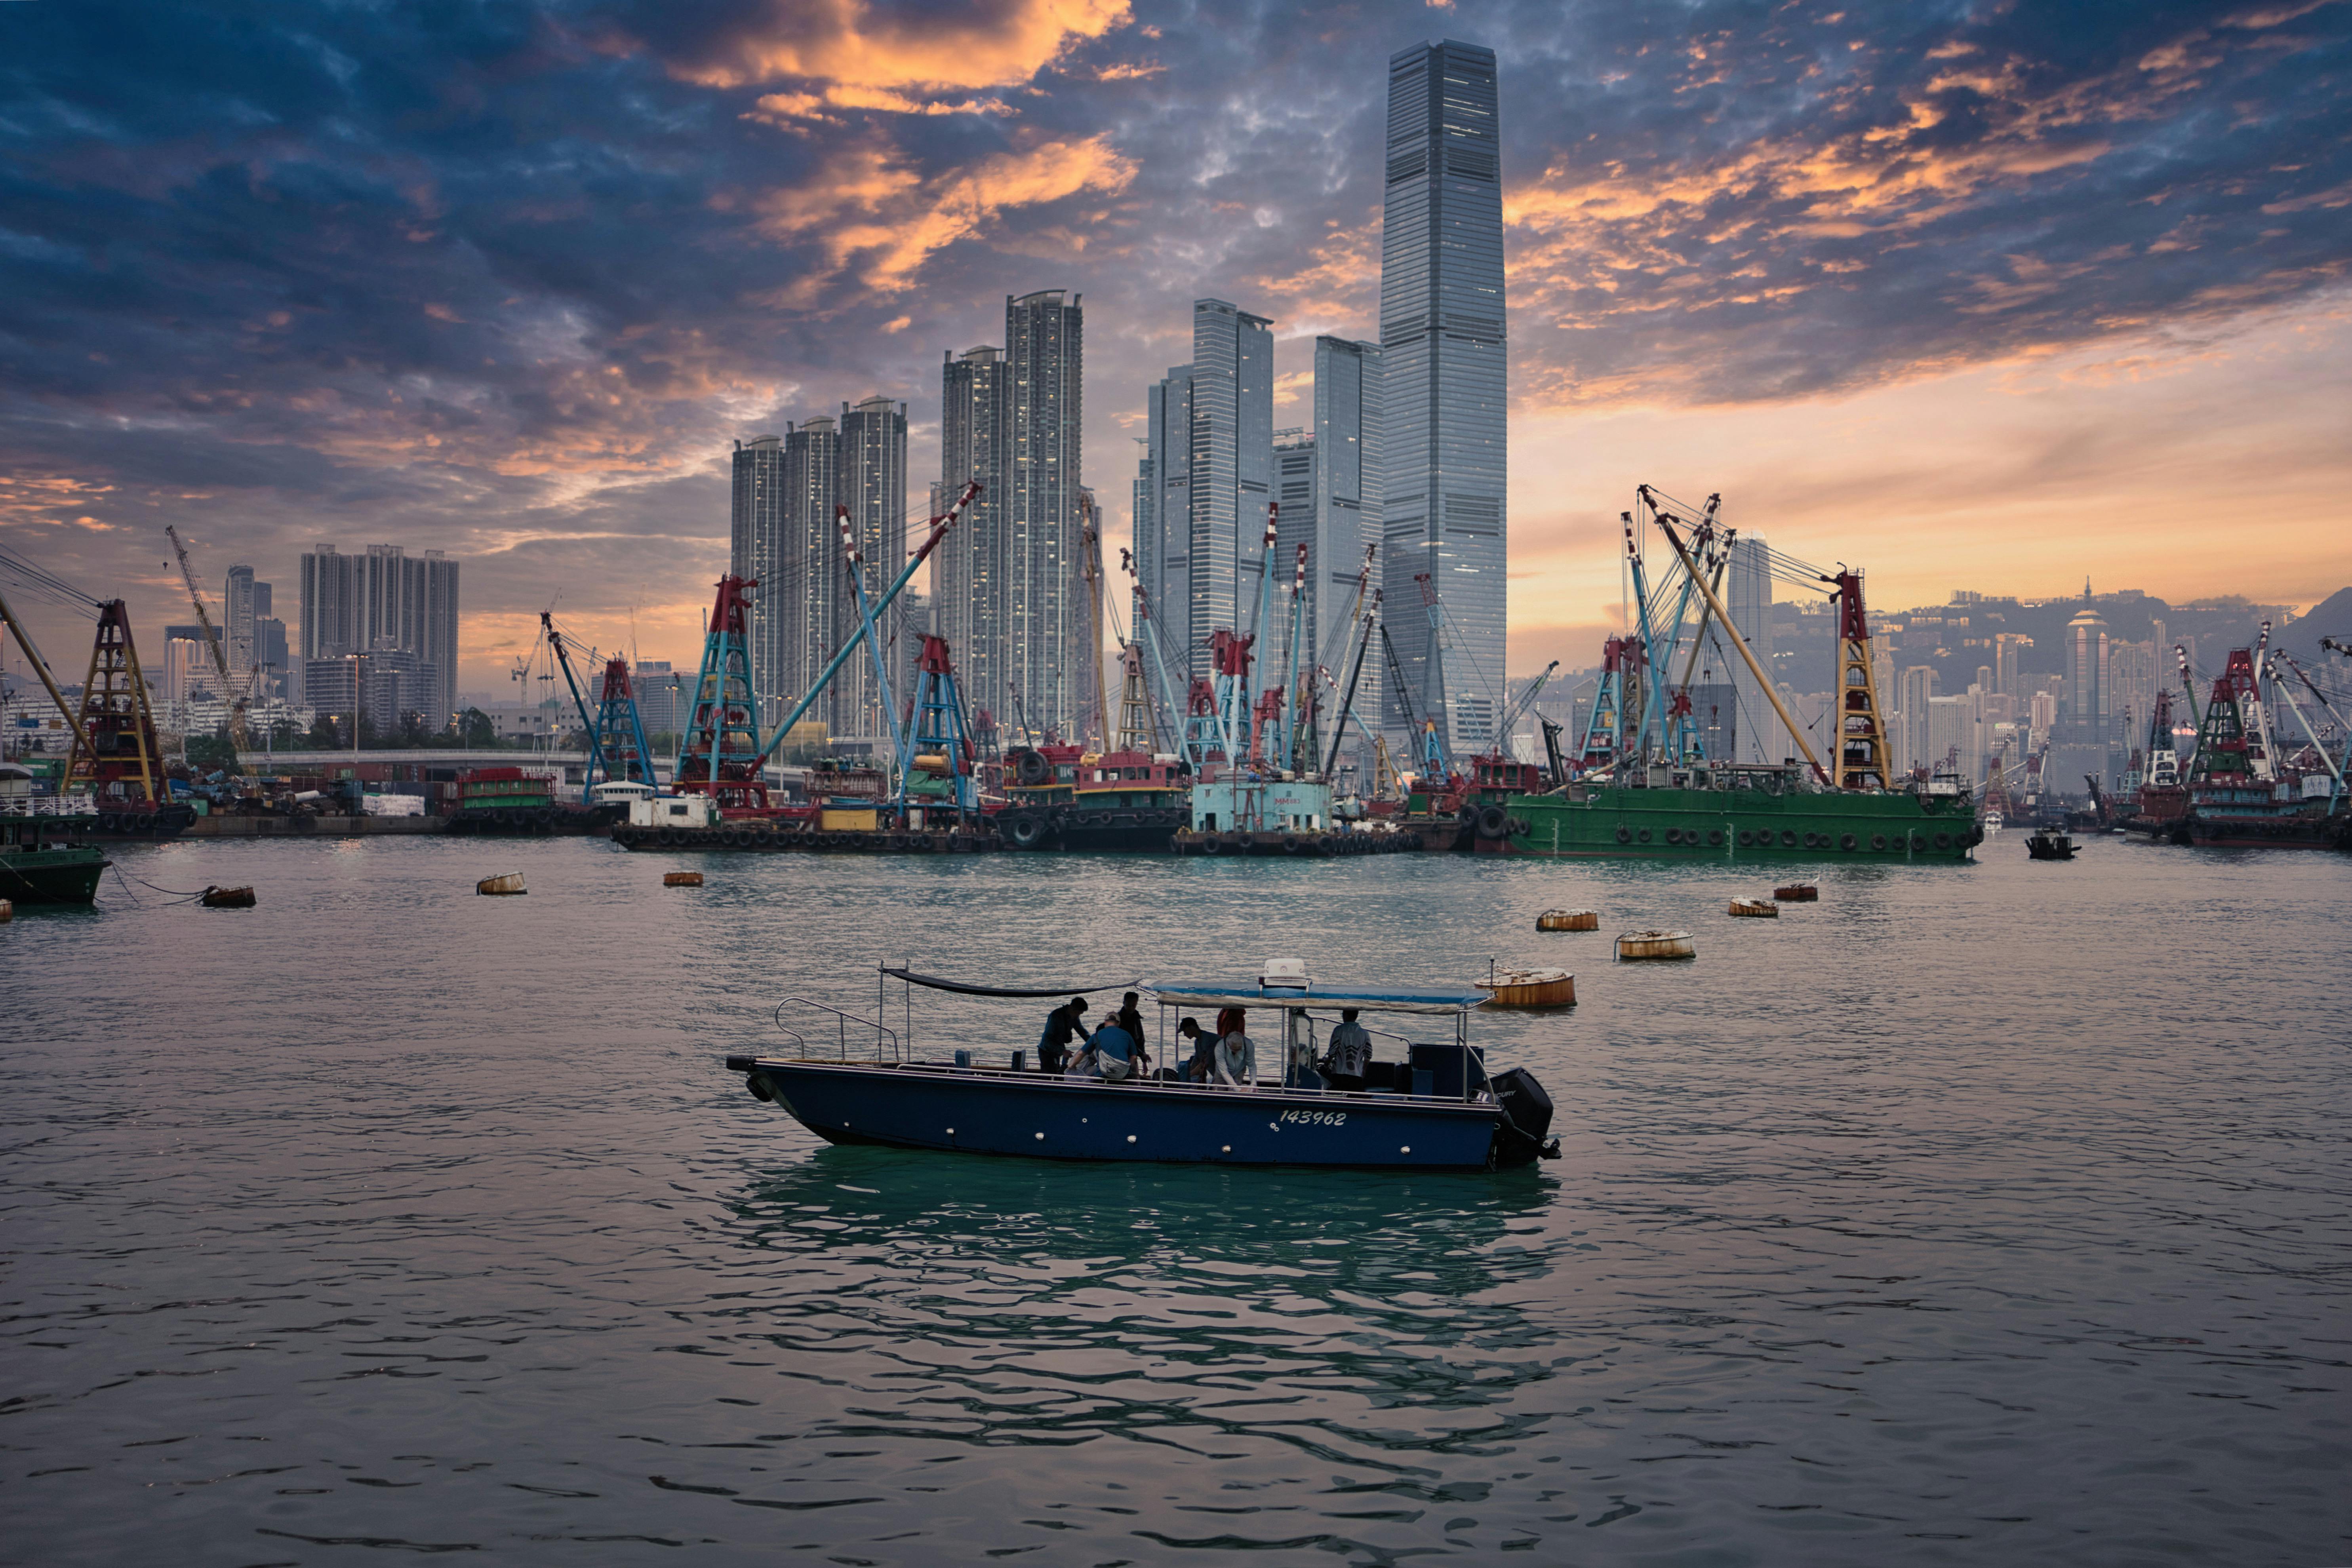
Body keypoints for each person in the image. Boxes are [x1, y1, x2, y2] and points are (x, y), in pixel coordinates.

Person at [1322, 1007, 1373, 1092]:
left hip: (1339, 1073)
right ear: (1356, 1016)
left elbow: (1332, 1053)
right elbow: (1368, 1056)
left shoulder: (1339, 1030)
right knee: (1354, 1100)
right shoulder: (1365, 1033)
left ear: (1345, 1015)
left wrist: (1327, 1063)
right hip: (1357, 1075)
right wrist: (1363, 1070)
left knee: (1338, 1099)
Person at [1037, 996, 1091, 1074]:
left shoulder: (1074, 1017)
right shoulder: (1055, 1016)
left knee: (1056, 1073)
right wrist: (1063, 1051)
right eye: (1078, 1013)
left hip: (1057, 1051)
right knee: (1049, 1077)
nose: (1078, 1016)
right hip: (1046, 1052)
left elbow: (1082, 1032)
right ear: (1072, 1009)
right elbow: (1046, 1040)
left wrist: (1094, 1043)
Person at [1090, 1016, 1138, 1083]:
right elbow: (1134, 1058)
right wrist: (1128, 1071)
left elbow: (1081, 1053)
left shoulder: (1096, 1038)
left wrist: (1071, 1066)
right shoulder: (1127, 1035)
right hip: (1122, 1075)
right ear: (1119, 1023)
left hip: (1102, 1075)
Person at [1111, 991, 1148, 1074]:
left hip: (1134, 1055)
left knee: (1135, 1079)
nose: (1131, 1008)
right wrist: (1142, 1054)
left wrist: (1144, 1060)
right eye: (1128, 1005)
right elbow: (1126, 1042)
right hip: (1120, 1057)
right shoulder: (1118, 1020)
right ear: (1124, 1003)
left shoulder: (1136, 1018)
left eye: (1134, 1006)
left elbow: (1141, 1040)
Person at [1213, 1022, 1256, 1089]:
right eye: (1234, 1050)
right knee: (1218, 1091)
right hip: (1221, 1072)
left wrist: (1254, 1084)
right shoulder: (1220, 1047)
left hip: (1239, 1070)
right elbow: (1224, 1072)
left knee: (1236, 1093)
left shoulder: (1249, 1045)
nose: (1237, 1052)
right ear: (1228, 1044)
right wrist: (1236, 1089)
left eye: (1239, 1049)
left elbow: (1252, 1066)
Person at [1176, 1018, 1217, 1083]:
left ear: (1191, 1028)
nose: (1185, 1034)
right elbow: (1196, 1061)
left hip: (1218, 1072)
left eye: (1185, 1031)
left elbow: (1206, 1063)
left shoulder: (1209, 1040)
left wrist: (1188, 1075)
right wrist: (1185, 1073)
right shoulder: (1197, 1042)